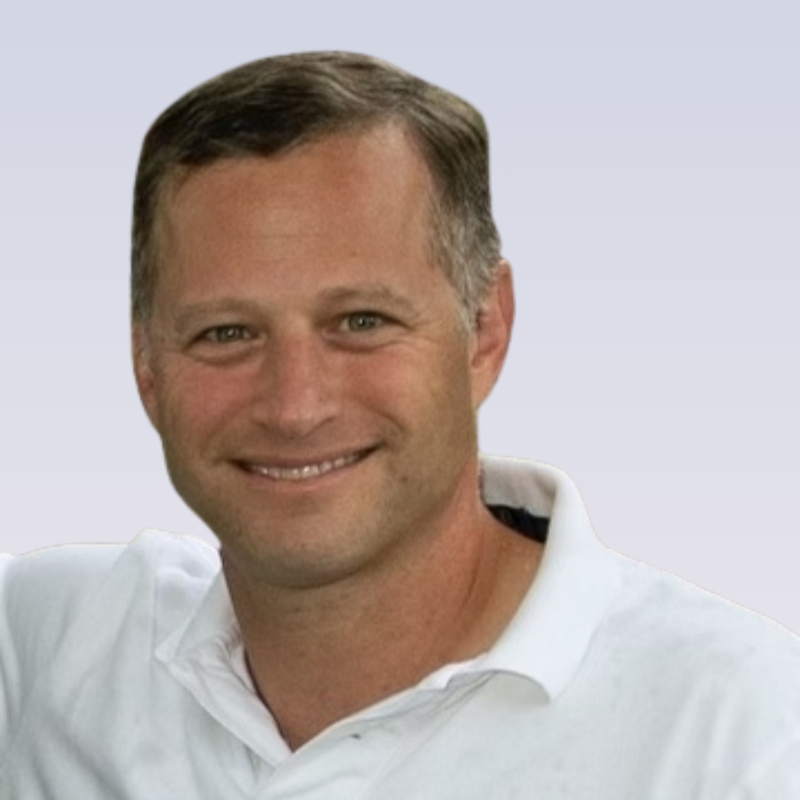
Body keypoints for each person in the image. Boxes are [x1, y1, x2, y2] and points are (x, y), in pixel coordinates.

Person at [1, 51, 798, 798]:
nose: (294, 406)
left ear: (485, 328)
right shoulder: (56, 650)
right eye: (227, 334)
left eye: (360, 321)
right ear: (146, 364)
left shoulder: (740, 737)